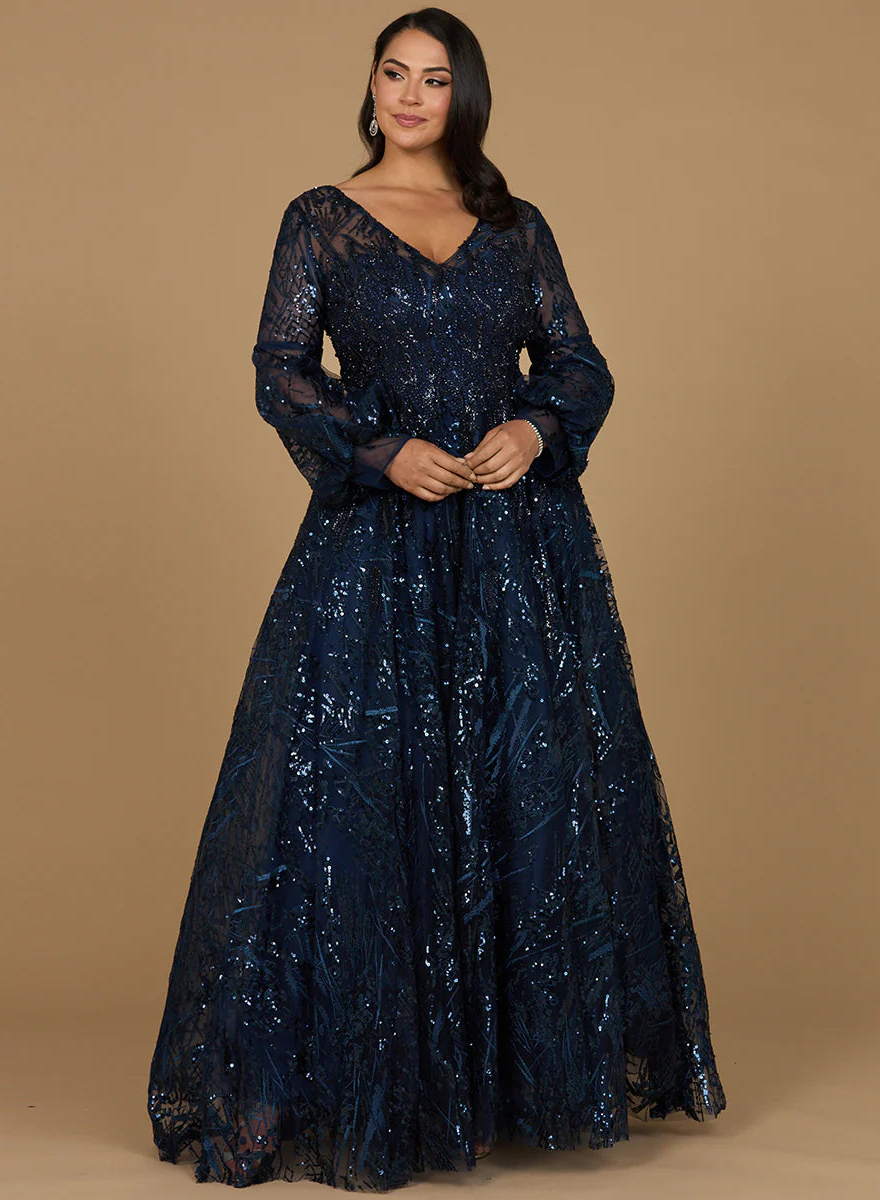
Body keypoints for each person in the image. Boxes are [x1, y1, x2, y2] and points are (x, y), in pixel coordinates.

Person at [146, 7, 727, 1191]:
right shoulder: (320, 219)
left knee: (528, 792)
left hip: (516, 549)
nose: (411, 95)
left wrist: (536, 426)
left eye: (435, 78)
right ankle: (373, 1089)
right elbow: (279, 371)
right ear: (370, 89)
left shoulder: (516, 227)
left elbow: (580, 363)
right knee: (364, 793)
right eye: (394, 73)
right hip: (376, 547)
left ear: (467, 96)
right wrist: (379, 452)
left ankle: (508, 1086)